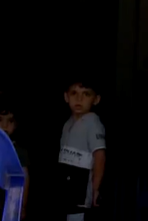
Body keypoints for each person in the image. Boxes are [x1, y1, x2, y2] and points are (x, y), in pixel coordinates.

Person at [58, 76, 106, 221]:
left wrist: (96, 188)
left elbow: (99, 156)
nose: (79, 99)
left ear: (96, 99)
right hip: (66, 181)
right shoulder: (68, 123)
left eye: (86, 94)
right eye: (74, 94)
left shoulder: (93, 123)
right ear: (66, 96)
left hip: (81, 184)